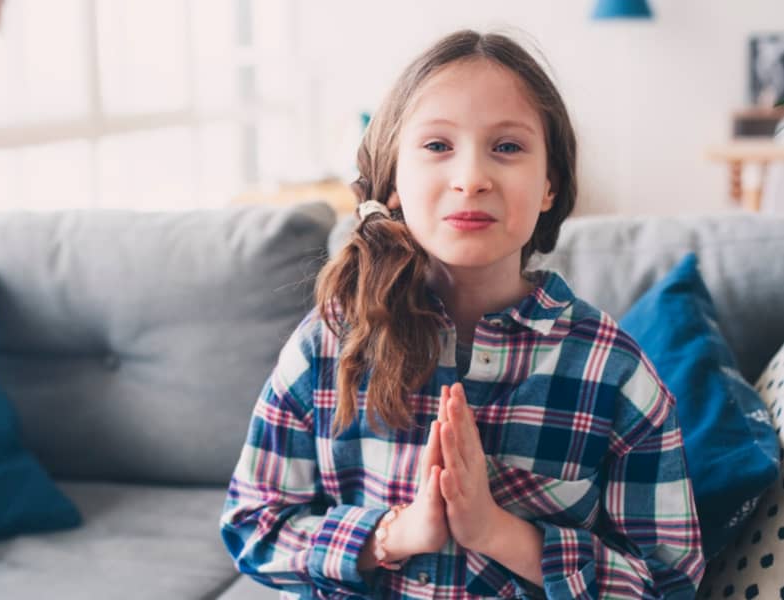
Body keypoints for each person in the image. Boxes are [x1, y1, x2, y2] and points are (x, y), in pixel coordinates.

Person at [220, 29, 705, 599]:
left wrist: (502, 533)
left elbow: (670, 581)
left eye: (507, 147)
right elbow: (253, 527)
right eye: (437, 146)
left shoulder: (614, 373)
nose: (471, 177)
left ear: (550, 184)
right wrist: (393, 534)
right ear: (395, 180)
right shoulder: (327, 347)